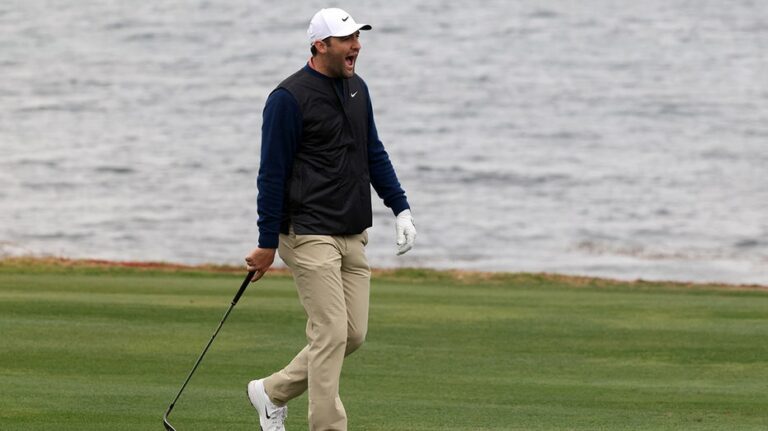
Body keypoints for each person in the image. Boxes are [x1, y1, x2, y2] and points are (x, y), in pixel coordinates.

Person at [244, 8, 416, 431]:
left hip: (352, 231)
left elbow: (372, 151)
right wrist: (267, 243)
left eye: (358, 37)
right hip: (306, 233)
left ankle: (271, 392)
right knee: (330, 334)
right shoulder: (288, 98)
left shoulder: (358, 88)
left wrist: (401, 207)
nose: (356, 45)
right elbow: (272, 173)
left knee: (351, 335)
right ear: (321, 46)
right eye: (347, 39)